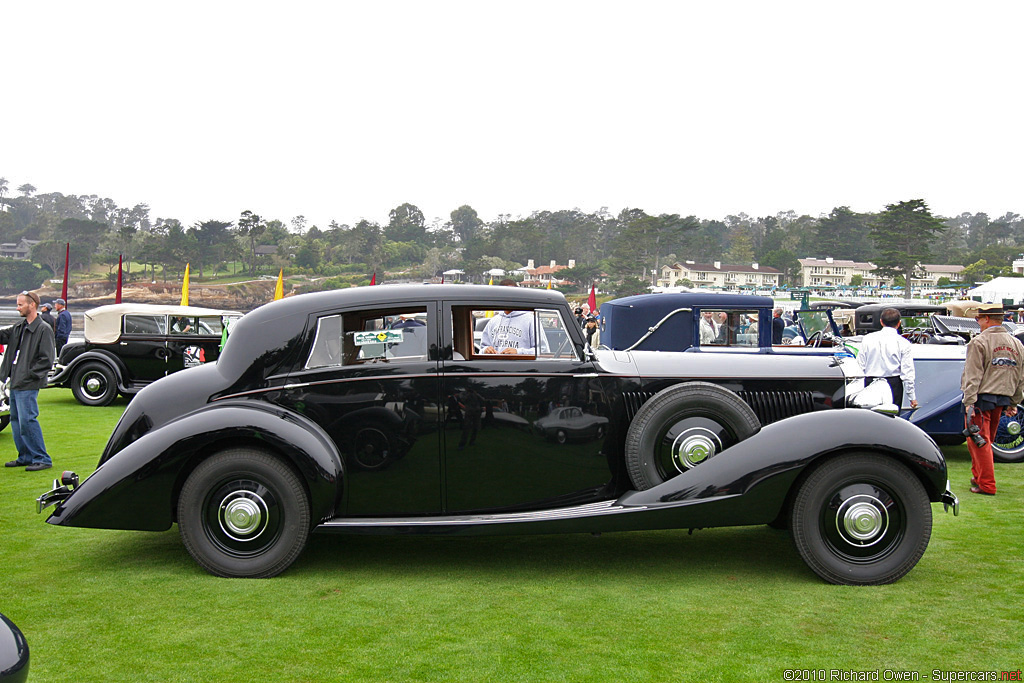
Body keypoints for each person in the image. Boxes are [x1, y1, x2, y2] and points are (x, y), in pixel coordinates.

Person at [961, 303, 1024, 496]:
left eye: (978, 319)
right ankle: (978, 477)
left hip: (981, 399)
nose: (978, 323)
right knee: (983, 441)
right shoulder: (1016, 344)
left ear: (986, 319)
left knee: (979, 441)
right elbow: (1020, 376)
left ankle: (987, 484)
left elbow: (973, 375)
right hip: (1003, 398)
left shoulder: (979, 342)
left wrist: (969, 401)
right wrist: (1014, 402)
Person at [2, 291, 56, 471]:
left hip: (27, 381)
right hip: (16, 380)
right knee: (16, 420)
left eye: (20, 304)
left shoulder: (43, 329)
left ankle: (42, 458)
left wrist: (29, 374)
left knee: (27, 420)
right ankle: (25, 456)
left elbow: (47, 359)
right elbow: (3, 336)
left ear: (32, 304)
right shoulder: (20, 326)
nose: (17, 308)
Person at [856, 307, 917, 410]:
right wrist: (912, 397)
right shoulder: (903, 343)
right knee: (892, 420)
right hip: (893, 385)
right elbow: (907, 372)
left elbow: (859, 366)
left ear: (881, 322)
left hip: (870, 382)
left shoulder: (867, 339)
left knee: (869, 418)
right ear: (899, 323)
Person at [480, 280, 546, 355]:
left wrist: (518, 352)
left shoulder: (531, 321)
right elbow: (481, 349)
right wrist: (486, 350)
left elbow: (543, 351)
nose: (507, 298)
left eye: (511, 295)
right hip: (496, 366)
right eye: (503, 295)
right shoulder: (493, 321)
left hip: (522, 366)